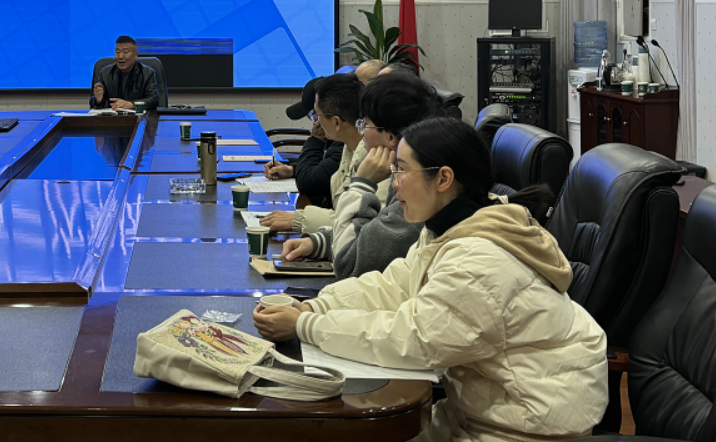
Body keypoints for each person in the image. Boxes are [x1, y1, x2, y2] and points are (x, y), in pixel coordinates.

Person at [254, 117, 606, 442]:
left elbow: (414, 339)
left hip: (525, 427)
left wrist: (307, 326)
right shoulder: (454, 225)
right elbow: (394, 286)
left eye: (401, 170)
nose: (394, 183)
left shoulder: (478, 259)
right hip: (482, 409)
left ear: (443, 179)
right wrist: (316, 306)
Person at [281, 71, 443, 280]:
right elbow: (373, 233)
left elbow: (348, 264)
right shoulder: (405, 172)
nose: (361, 132)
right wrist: (319, 242)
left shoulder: (416, 188)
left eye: (364, 124)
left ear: (390, 137)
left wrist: (362, 185)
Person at [261, 74, 365, 227]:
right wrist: (292, 170)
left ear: (336, 122)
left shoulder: (368, 153)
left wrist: (298, 219)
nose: (315, 123)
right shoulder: (348, 147)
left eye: (317, 116)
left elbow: (356, 221)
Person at [90, 36, 160, 111]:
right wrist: (98, 101)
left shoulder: (147, 73)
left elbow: (153, 100)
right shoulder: (105, 74)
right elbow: (96, 103)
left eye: (125, 52)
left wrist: (131, 104)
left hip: (138, 117)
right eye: (117, 52)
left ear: (135, 55)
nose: (120, 56)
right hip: (113, 117)